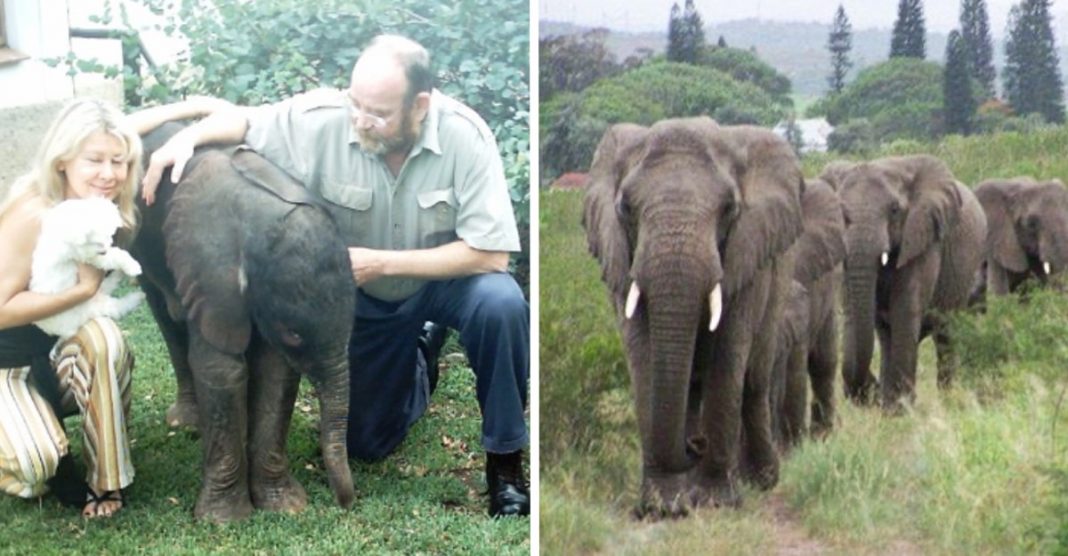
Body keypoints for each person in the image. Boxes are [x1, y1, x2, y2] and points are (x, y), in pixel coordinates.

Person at [141, 34, 530, 517]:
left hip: (444, 281)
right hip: (361, 297)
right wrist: (182, 137)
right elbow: (241, 120)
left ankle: (506, 462)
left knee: (502, 303)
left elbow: (490, 255)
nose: (362, 121)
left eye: (379, 113)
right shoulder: (323, 119)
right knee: (367, 442)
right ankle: (420, 358)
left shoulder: (465, 137)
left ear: (420, 105)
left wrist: (384, 262)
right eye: (356, 104)